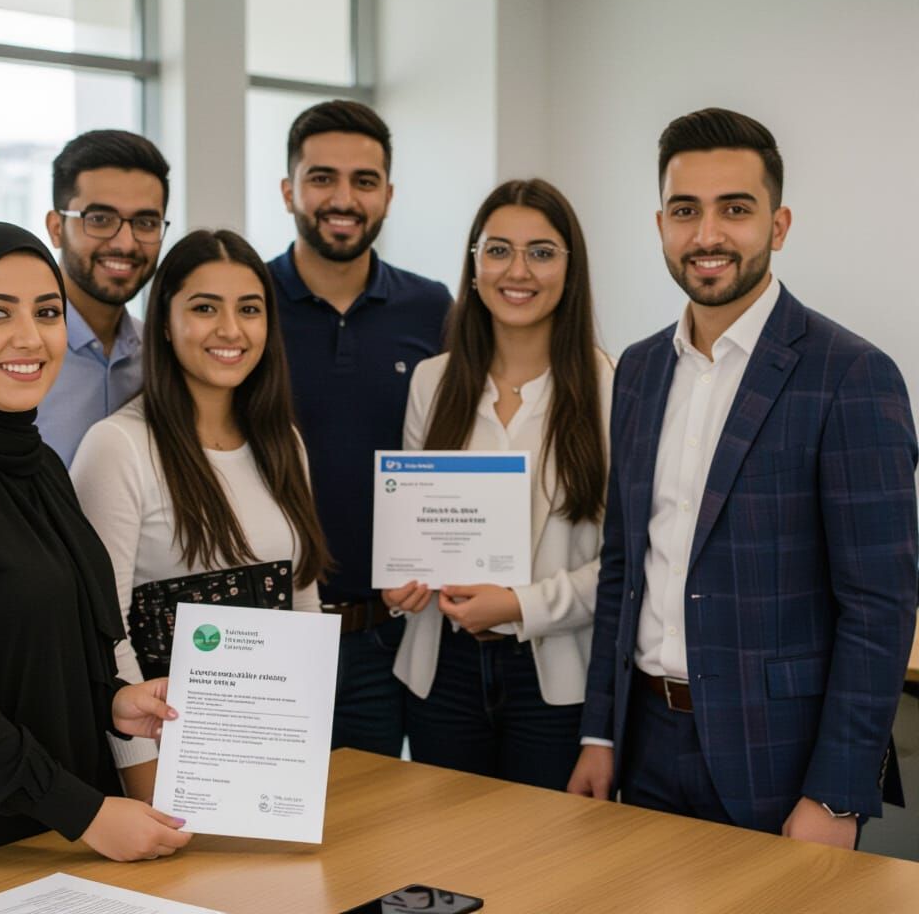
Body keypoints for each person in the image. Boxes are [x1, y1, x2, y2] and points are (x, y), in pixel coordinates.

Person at [569, 108, 918, 846]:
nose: (707, 236)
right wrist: (599, 734)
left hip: (779, 758)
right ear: (659, 223)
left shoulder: (851, 375)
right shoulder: (635, 371)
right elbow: (623, 568)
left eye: (736, 209)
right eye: (685, 210)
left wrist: (836, 792)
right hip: (645, 742)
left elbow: (879, 608)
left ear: (779, 225)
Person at [0, 223, 192, 875]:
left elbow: (35, 650)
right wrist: (84, 812)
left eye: (48, 312)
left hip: (60, 831)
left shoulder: (38, 464)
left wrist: (112, 702)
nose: (29, 337)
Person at [382, 180, 612, 790]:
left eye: (541, 252)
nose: (518, 271)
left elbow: (621, 567)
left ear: (571, 267)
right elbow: (415, 532)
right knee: (448, 865)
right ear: (474, 263)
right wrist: (404, 585)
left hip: (556, 684)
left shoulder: (609, 385)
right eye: (498, 250)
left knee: (548, 871)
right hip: (443, 671)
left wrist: (518, 606)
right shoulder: (432, 383)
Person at [71, 230, 328, 755]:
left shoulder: (284, 444)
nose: (230, 329)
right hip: (162, 752)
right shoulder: (118, 446)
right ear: (164, 322)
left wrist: (306, 746)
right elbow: (105, 634)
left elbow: (304, 606)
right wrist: (140, 771)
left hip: (270, 751)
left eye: (249, 309)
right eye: (205, 308)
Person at [268, 101, 452, 756]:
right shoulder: (246, 308)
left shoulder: (431, 308)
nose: (342, 198)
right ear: (289, 188)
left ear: (388, 196)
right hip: (269, 636)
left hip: (388, 636)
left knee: (384, 836)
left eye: (364, 181)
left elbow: (460, 452)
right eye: (322, 178)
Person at [38, 129, 170, 467]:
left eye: (145, 222)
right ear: (56, 228)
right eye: (99, 219)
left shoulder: (161, 357)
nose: (125, 243)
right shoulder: (13, 354)